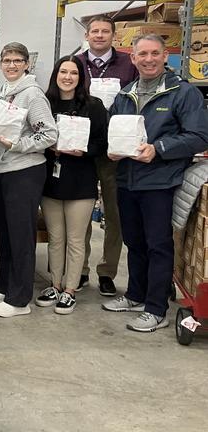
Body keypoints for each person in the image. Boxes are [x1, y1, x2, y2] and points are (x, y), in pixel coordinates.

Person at [102, 34, 208, 332]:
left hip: (160, 182)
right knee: (134, 241)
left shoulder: (182, 93)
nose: (148, 59)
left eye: (154, 53)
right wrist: (111, 148)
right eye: (142, 54)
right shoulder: (126, 94)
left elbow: (199, 136)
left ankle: (156, 308)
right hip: (127, 179)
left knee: (158, 244)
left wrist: (159, 149)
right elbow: (113, 128)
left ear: (164, 57)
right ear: (133, 58)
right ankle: (136, 295)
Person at [0, 42, 57, 317]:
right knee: (5, 234)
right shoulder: (4, 91)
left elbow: (49, 134)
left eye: (17, 61)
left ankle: (19, 300)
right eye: (7, 60)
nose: (11, 65)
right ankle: (5, 287)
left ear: (27, 64)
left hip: (24, 172)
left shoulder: (32, 95)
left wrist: (17, 145)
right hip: (2, 171)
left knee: (21, 236)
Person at [36, 56, 108, 315]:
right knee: (56, 239)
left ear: (81, 77)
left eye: (73, 73)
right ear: (55, 75)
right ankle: (55, 285)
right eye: (63, 72)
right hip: (51, 181)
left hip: (81, 182)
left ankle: (70, 290)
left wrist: (83, 150)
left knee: (76, 240)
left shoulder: (93, 106)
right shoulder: (45, 103)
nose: (68, 77)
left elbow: (103, 143)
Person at [76, 15, 139, 296]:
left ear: (114, 36)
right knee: (81, 213)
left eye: (105, 31)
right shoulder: (76, 63)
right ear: (87, 36)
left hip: (116, 150)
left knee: (114, 214)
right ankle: (79, 269)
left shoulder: (128, 64)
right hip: (84, 149)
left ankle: (107, 272)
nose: (99, 35)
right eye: (95, 31)